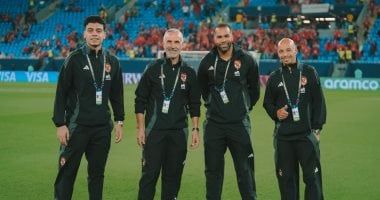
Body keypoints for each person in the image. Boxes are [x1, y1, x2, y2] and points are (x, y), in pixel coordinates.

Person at [52, 15, 125, 200]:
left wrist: (119, 120)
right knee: (66, 173)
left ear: (105, 34)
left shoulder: (113, 62)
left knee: (97, 175)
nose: (95, 34)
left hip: (102, 129)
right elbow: (61, 92)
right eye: (91, 30)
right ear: (84, 34)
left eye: (98, 31)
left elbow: (117, 95)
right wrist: (60, 124)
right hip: (76, 128)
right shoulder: (74, 59)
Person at [135, 28, 201, 200]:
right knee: (149, 176)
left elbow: (195, 105)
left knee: (173, 179)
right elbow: (140, 100)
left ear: (182, 44)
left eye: (176, 42)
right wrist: (141, 129)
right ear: (163, 44)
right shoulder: (152, 68)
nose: (172, 46)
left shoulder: (189, 72)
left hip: (178, 133)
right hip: (154, 132)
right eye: (169, 42)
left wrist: (195, 130)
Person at [197, 23, 260, 200]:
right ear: (214, 39)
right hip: (214, 126)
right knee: (213, 172)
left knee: (245, 170)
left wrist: (244, 107)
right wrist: (213, 103)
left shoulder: (247, 59)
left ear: (232, 37)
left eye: (226, 36)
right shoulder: (207, 62)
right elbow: (203, 89)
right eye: (219, 37)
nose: (223, 40)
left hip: (239, 125)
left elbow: (254, 91)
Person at [263, 38, 326, 200]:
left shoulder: (309, 72)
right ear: (278, 54)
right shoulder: (275, 77)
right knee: (286, 181)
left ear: (296, 51)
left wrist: (317, 129)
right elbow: (267, 103)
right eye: (281, 51)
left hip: (306, 136)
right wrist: (276, 113)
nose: (285, 55)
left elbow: (319, 101)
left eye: (288, 50)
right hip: (283, 139)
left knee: (312, 180)